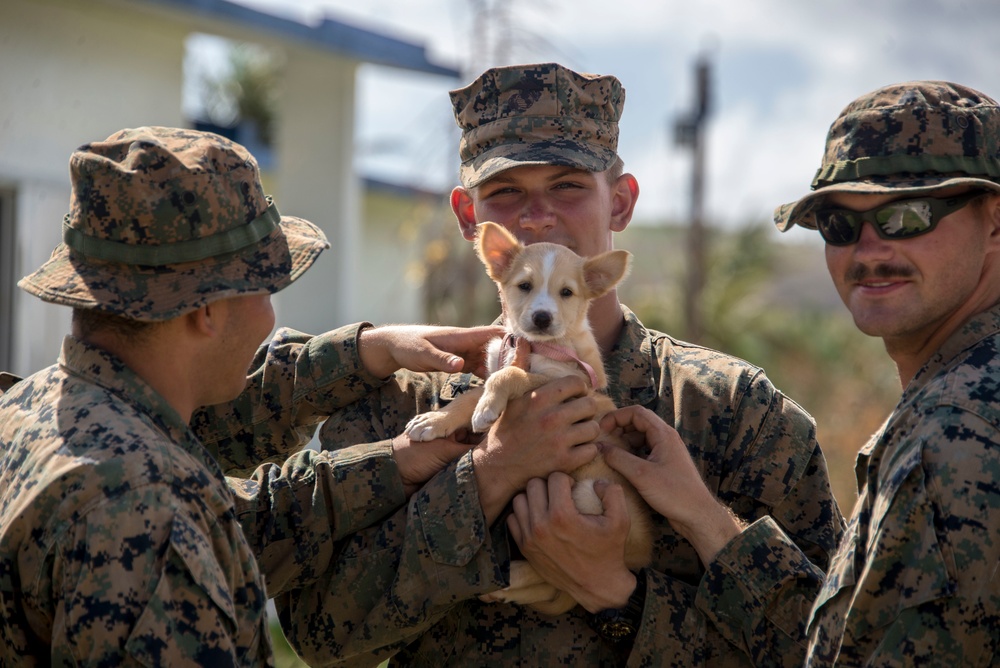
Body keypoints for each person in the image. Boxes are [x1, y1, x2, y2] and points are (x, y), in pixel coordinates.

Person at [277, 62, 846, 666]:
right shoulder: (402, 407)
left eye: (568, 185)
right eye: (506, 192)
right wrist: (485, 480)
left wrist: (621, 596)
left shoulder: (731, 411)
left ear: (621, 202)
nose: (538, 216)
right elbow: (320, 633)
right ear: (471, 220)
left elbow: (828, 645)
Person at [0, 126, 500, 664]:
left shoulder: (32, 409)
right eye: (265, 290)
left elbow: (235, 519)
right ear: (206, 311)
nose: (270, 318)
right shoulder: (147, 514)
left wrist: (392, 457)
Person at [578, 81, 1000, 665]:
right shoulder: (952, 397)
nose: (869, 250)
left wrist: (614, 593)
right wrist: (705, 518)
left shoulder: (956, 431)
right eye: (839, 225)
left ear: (995, 221)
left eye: (907, 216)